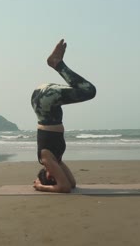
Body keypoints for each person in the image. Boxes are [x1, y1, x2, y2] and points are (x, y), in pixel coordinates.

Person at [31, 39, 96, 193]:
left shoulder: (46, 159)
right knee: (86, 90)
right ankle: (56, 63)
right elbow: (71, 184)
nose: (55, 176)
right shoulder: (56, 160)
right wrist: (54, 179)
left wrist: (41, 186)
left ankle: (56, 63)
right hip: (47, 104)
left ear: (46, 173)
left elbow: (64, 188)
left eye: (51, 177)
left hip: (44, 102)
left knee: (89, 91)